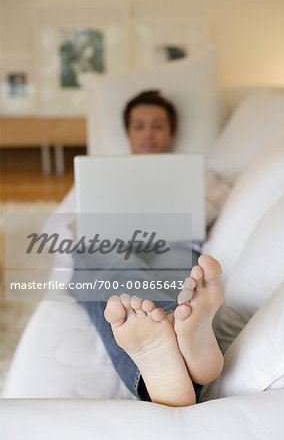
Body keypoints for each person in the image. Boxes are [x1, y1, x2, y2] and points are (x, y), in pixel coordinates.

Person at [67, 90, 225, 407]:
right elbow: (76, 223)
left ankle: (166, 347)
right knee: (93, 257)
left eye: (157, 125)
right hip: (115, 244)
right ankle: (177, 348)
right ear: (128, 133)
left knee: (167, 292)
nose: (148, 133)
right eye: (139, 126)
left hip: (175, 244)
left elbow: (219, 204)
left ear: (171, 132)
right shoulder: (101, 175)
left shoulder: (197, 173)